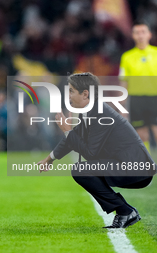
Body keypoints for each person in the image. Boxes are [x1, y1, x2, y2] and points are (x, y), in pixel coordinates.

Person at [38, 72, 156, 228]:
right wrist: (50, 158)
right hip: (130, 166)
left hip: (136, 170)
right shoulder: (93, 110)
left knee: (81, 170)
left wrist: (67, 129)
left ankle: (125, 211)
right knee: (82, 169)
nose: (69, 96)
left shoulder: (100, 113)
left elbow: (90, 153)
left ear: (85, 94)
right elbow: (74, 138)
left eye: (71, 91)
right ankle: (125, 211)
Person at [119, 20, 157, 152]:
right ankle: (146, 164)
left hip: (155, 98)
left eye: (143, 32)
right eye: (137, 32)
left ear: (149, 35)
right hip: (136, 99)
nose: (140, 35)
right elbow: (124, 81)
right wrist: (121, 106)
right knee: (141, 134)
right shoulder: (127, 57)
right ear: (133, 35)